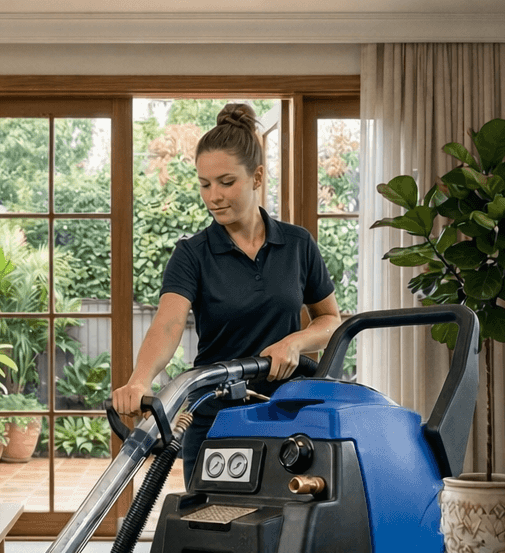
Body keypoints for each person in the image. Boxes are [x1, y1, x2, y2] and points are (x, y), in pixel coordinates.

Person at [112, 102, 341, 485]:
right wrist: (140, 380)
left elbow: (331, 320)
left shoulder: (298, 244)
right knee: (211, 520)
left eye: (226, 182)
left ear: (257, 177)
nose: (213, 196)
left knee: (287, 518)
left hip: (287, 413)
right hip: (216, 415)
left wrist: (295, 343)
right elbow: (167, 325)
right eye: (205, 184)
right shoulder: (193, 254)